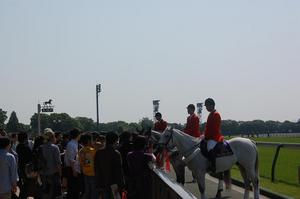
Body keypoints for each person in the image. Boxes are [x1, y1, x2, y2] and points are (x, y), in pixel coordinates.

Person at [94, 132, 124, 199]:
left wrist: (98, 183)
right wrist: (122, 184)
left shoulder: (98, 153)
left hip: (102, 183)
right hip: (114, 184)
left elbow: (96, 169)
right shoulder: (116, 153)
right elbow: (119, 170)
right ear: (115, 141)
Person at [40, 128, 62, 199]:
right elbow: (58, 163)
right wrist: (60, 174)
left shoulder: (41, 147)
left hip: (43, 173)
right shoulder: (55, 148)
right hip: (53, 174)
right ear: (52, 137)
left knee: (45, 192)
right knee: (54, 194)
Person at [204, 98, 224, 171]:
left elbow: (214, 129)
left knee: (209, 148)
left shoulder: (216, 114)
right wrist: (203, 136)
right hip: (209, 136)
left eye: (207, 106)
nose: (206, 107)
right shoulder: (211, 114)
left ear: (211, 105)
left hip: (214, 137)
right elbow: (207, 127)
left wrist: (206, 137)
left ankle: (213, 165)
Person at [78, 133, 98, 199]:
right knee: (94, 192)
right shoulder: (92, 150)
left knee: (87, 191)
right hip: (93, 173)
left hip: (85, 173)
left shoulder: (81, 150)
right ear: (89, 141)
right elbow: (90, 163)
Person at [64, 128, 82, 199]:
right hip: (72, 169)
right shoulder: (71, 144)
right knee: (73, 190)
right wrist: (74, 170)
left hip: (74, 168)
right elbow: (71, 159)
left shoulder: (73, 143)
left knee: (75, 190)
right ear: (78, 135)